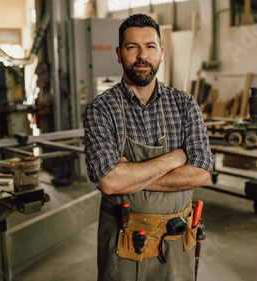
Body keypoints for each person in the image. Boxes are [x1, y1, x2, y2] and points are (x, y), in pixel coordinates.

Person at [83, 13, 215, 281]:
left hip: (177, 238)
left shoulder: (184, 104)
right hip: (123, 241)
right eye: (133, 47)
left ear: (161, 53)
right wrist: (175, 159)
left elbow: (202, 172)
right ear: (119, 54)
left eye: (150, 47)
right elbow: (109, 182)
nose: (142, 55)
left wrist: (129, 176)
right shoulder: (101, 109)